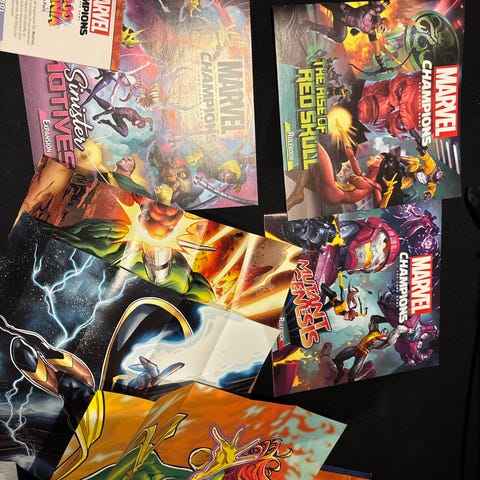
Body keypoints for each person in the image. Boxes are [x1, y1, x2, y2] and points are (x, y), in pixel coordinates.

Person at [303, 1, 391, 70]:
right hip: (340, 8)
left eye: (383, 31)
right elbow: (376, 3)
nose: (380, 30)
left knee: (340, 37)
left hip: (342, 22)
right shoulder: (372, 11)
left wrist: (382, 66)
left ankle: (310, 26)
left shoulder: (371, 32)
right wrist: (378, 16)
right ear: (382, 21)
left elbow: (377, 51)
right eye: (382, 28)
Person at [333, 314, 409, 383]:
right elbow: (373, 318)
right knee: (338, 359)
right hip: (356, 348)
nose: (384, 331)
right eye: (384, 330)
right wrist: (388, 319)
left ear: (386, 334)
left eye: (386, 331)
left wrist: (401, 330)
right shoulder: (374, 331)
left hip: (363, 353)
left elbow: (393, 337)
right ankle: (341, 372)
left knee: (353, 373)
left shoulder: (385, 341)